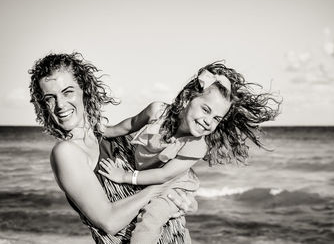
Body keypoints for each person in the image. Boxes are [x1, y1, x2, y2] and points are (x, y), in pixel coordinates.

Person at [98, 61, 280, 244]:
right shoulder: (157, 111)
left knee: (150, 221)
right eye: (206, 109)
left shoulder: (197, 145)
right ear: (186, 98)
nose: (208, 121)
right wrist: (105, 131)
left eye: (216, 118)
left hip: (174, 184)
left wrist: (124, 176)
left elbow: (163, 175)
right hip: (152, 173)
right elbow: (130, 124)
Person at [28, 52, 197, 244]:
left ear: (84, 89)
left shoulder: (117, 138)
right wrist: (159, 187)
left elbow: (175, 184)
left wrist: (183, 200)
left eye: (68, 92)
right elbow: (110, 221)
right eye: (50, 98)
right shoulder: (66, 152)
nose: (60, 104)